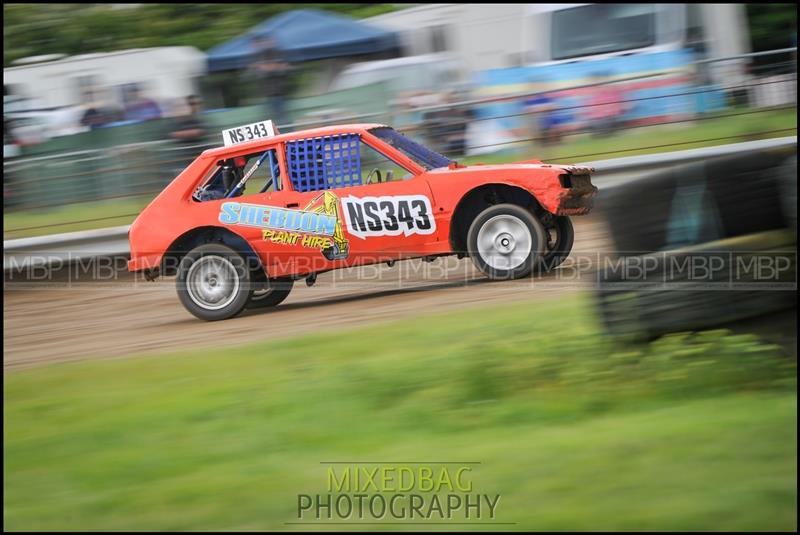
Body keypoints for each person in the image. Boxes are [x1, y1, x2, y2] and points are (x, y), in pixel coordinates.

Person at [247, 35, 292, 126]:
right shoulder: (260, 55)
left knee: (282, 119)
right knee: (272, 119)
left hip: (278, 94)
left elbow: (280, 67)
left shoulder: (274, 53)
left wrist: (265, 68)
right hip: (269, 95)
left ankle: (286, 134)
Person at [169, 95, 208, 177]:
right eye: (192, 104)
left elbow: (200, 132)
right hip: (184, 163)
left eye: (197, 103)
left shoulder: (200, 120)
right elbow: (172, 134)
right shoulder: (178, 122)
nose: (195, 106)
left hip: (200, 161)